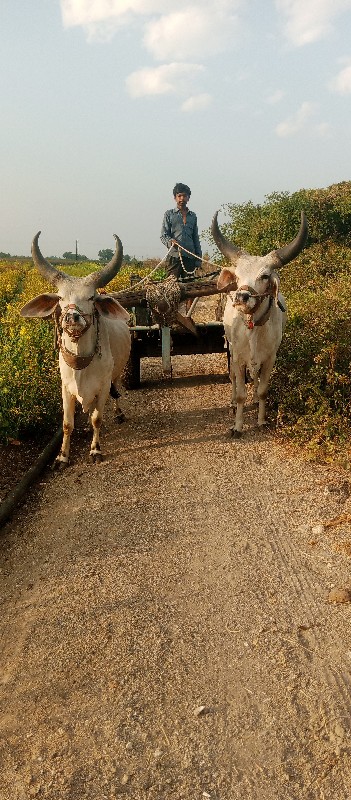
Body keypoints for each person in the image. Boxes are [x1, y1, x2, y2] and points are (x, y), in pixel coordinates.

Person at [160, 183, 202, 280]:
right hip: (174, 256)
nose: (182, 198)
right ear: (175, 198)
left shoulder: (193, 216)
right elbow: (163, 235)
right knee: (171, 287)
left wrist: (198, 258)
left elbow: (196, 238)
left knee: (190, 287)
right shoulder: (169, 214)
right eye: (179, 196)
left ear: (188, 198)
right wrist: (171, 242)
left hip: (190, 257)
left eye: (184, 196)